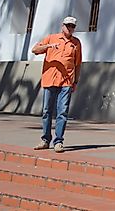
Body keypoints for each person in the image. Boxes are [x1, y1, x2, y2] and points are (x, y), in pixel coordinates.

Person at [32, 16, 82, 153]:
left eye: (72, 26)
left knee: (62, 112)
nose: (70, 28)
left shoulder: (76, 43)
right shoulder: (51, 38)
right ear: (62, 26)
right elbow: (35, 50)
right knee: (47, 111)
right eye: (68, 25)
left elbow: (77, 64)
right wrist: (48, 46)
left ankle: (58, 141)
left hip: (66, 82)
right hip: (49, 80)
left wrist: (75, 81)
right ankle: (45, 140)